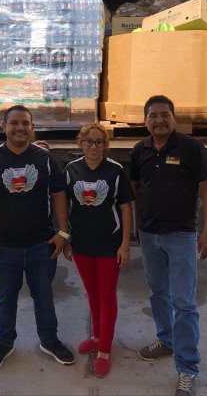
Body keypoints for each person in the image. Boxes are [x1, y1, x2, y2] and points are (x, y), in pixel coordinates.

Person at [0, 105, 76, 373]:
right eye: (14, 123)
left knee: (44, 296)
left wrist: (63, 232)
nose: (20, 128)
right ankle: (4, 343)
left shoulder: (46, 159)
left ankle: (49, 340)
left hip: (41, 244)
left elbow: (59, 195)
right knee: (6, 298)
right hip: (3, 247)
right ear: (4, 126)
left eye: (25, 123)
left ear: (32, 127)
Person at [130, 95, 207, 396]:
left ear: (173, 118)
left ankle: (187, 368)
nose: (159, 120)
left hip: (181, 236)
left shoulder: (191, 148)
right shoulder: (139, 150)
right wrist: (136, 229)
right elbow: (136, 191)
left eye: (164, 115)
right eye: (153, 116)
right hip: (149, 235)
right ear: (146, 121)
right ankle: (166, 340)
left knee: (184, 302)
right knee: (157, 292)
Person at [61, 123, 134, 378]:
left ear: (106, 146)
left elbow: (126, 209)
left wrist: (124, 245)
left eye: (99, 142)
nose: (94, 147)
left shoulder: (115, 171)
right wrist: (66, 239)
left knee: (106, 296)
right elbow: (64, 207)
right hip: (81, 244)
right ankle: (95, 335)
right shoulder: (71, 170)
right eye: (89, 142)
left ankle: (104, 349)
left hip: (108, 245)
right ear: (81, 143)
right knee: (92, 294)